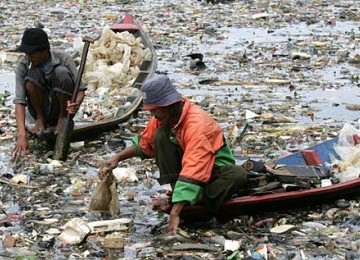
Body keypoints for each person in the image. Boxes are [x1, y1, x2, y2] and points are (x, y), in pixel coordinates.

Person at [98, 75, 248, 234]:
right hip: (189, 172)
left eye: (156, 112)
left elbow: (194, 169)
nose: (154, 117)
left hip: (213, 172)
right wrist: (117, 158)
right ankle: (180, 195)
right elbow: (145, 143)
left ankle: (186, 198)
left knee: (238, 174)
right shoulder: (163, 118)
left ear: (169, 105)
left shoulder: (197, 125)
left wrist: (175, 212)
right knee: (160, 135)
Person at [12, 28, 86, 159]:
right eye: (27, 54)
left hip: (62, 109)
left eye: (32, 53)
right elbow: (19, 101)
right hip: (40, 109)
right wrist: (22, 135)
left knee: (61, 73)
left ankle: (61, 119)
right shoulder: (24, 65)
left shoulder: (64, 59)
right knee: (31, 75)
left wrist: (76, 105)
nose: (29, 57)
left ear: (45, 50)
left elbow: (80, 90)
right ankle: (41, 119)